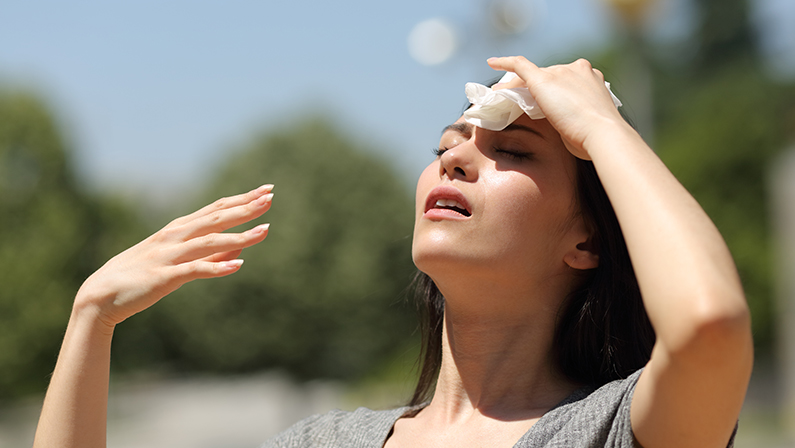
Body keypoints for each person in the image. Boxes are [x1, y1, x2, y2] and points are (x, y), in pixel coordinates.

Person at [33, 56, 753, 448]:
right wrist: (91, 320)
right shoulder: (322, 444)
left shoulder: (614, 430)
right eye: (444, 146)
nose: (455, 162)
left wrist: (598, 124)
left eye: (511, 150)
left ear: (586, 238)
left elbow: (707, 327)